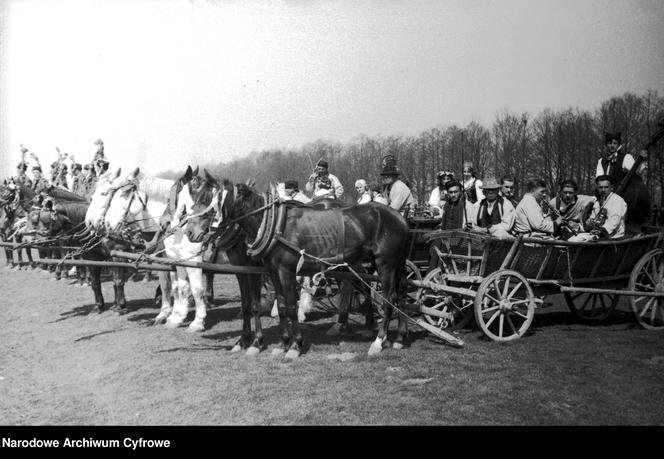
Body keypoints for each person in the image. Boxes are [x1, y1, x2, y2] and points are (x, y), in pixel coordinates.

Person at [569, 175, 627, 241]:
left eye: (606, 187)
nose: (603, 190)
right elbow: (593, 218)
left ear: (612, 188)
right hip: (597, 234)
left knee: (578, 241)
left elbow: (614, 221)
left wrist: (601, 231)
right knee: (572, 239)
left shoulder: (617, 200)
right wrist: (589, 222)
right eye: (600, 187)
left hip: (613, 237)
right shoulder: (598, 202)